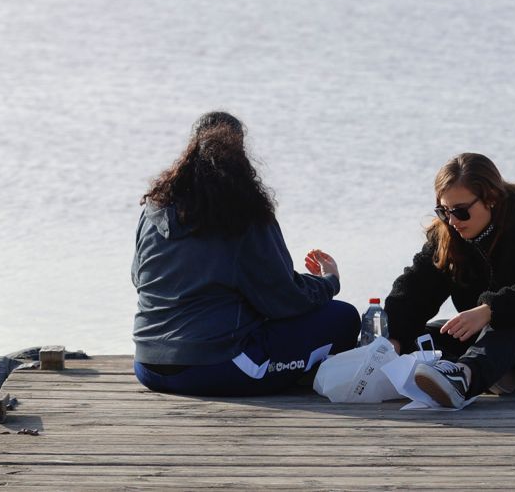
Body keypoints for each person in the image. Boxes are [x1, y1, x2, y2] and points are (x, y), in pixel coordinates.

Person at [132, 111, 360, 396]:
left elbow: (139, 279)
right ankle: (292, 373)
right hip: (213, 368)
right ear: (241, 154)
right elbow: (283, 298)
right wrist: (328, 282)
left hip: (148, 366)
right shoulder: (244, 215)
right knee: (344, 317)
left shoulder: (153, 210)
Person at [384, 152, 515, 408]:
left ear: (491, 199)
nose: (452, 221)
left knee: (512, 321)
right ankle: (498, 373)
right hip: (490, 339)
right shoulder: (447, 235)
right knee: (429, 334)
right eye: (444, 211)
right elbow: (416, 290)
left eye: (461, 211)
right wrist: (393, 338)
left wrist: (490, 310)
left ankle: (463, 378)